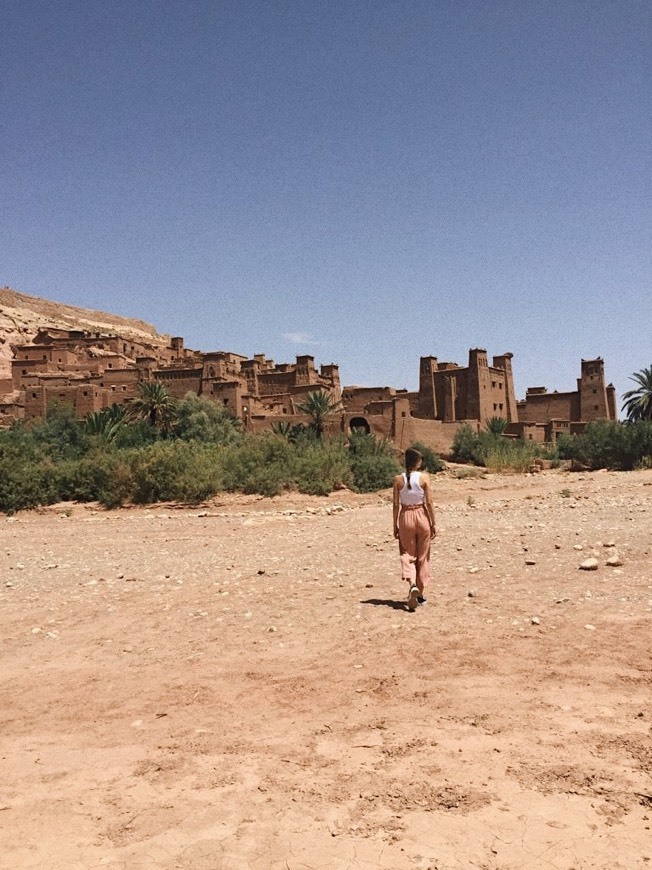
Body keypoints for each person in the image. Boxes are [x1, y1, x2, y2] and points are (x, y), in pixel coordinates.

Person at [393, 448, 437, 611]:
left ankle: (412, 585)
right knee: (423, 557)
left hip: (405, 517)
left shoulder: (398, 479)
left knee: (407, 554)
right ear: (417, 462)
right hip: (422, 516)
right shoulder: (425, 478)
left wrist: (395, 525)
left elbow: (396, 505)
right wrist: (433, 523)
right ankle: (420, 596)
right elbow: (430, 503)